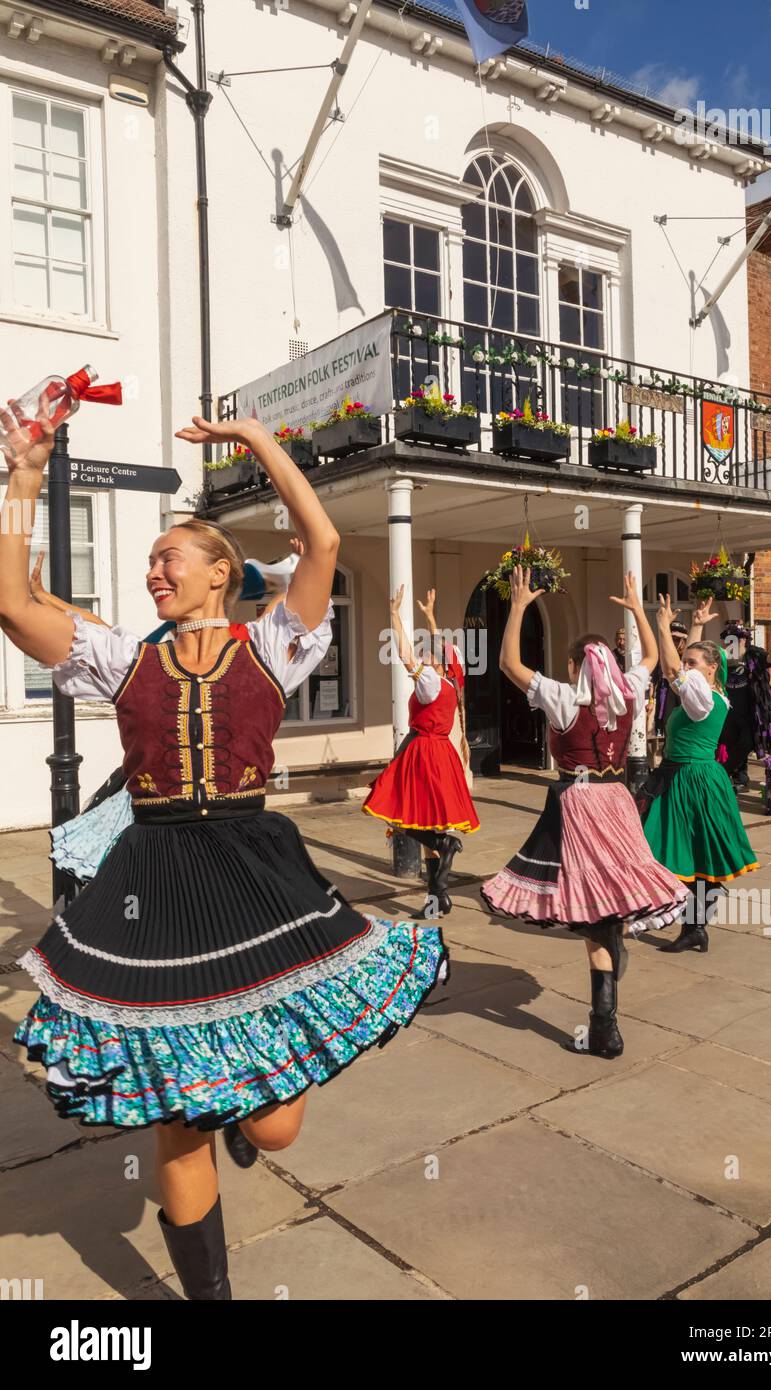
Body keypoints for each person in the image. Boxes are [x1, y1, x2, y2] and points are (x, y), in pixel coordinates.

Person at [0, 402, 447, 1301]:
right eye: (151, 560)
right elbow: (10, 600)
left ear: (218, 574)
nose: (153, 569)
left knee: (275, 1128)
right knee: (177, 1118)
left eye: (170, 556)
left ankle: (248, 1108)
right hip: (154, 877)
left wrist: (256, 441)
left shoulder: (273, 644)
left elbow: (319, 542)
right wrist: (25, 472)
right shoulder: (122, 654)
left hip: (253, 871)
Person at [481, 570, 688, 1060]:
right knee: (614, 898)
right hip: (619, 797)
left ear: (575, 664)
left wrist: (517, 606)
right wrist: (639, 609)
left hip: (579, 802)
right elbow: (653, 659)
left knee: (596, 909)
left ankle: (604, 1027)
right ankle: (607, 1003)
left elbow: (509, 663)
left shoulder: (564, 697)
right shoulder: (627, 693)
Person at [29, 545, 309, 885]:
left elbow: (290, 612)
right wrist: (45, 598)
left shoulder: (250, 645)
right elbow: (99, 629)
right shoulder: (160, 648)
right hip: (159, 796)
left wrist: (302, 572)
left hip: (217, 807)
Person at [639, 597, 759, 954]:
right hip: (685, 776)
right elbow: (683, 671)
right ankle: (692, 925)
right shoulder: (706, 691)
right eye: (687, 660)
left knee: (692, 854)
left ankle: (691, 924)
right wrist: (696, 625)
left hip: (694, 779)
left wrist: (662, 627)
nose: (686, 666)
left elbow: (677, 673)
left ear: (711, 669)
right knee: (685, 852)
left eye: (694, 662)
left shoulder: (704, 696)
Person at [363, 586, 479, 916]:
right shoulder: (452, 681)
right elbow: (443, 650)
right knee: (429, 822)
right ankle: (437, 898)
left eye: (432, 654)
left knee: (401, 815)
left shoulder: (430, 682)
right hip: (440, 753)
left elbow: (404, 655)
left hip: (423, 752)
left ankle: (446, 846)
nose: (427, 654)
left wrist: (394, 615)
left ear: (440, 664)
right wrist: (430, 617)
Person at [700, 616, 771, 790]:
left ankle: (729, 773)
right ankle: (739, 778)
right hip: (727, 710)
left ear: (745, 639)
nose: (732, 643)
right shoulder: (720, 657)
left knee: (746, 743)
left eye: (737, 638)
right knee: (728, 743)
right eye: (728, 639)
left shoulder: (753, 654)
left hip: (750, 710)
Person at [649, 616, 690, 747]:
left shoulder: (689, 656)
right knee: (667, 724)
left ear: (684, 641)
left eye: (677, 639)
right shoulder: (661, 656)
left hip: (684, 691)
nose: (674, 642)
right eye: (671, 638)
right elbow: (653, 679)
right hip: (666, 693)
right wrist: (650, 700)